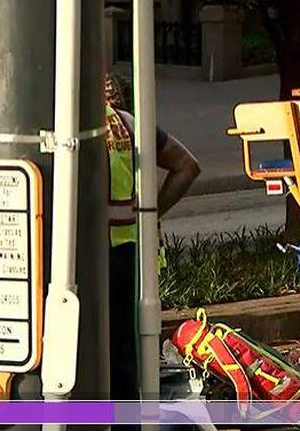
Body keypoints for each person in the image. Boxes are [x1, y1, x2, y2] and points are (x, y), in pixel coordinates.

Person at [103, 73, 200, 399]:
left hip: (94, 255)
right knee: (126, 350)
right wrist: (149, 214)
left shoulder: (71, 127)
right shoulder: (128, 125)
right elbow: (187, 165)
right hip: (132, 251)